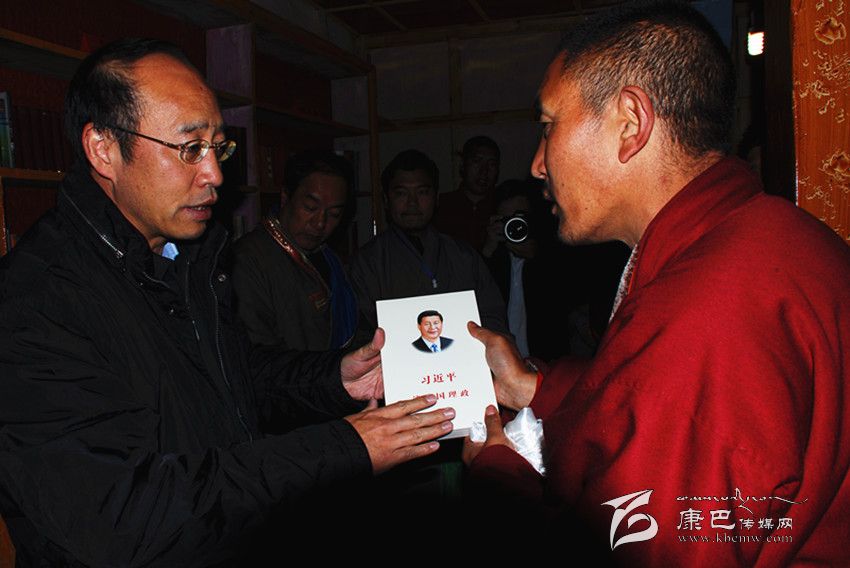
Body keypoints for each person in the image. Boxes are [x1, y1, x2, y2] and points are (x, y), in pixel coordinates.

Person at [0, 38, 454, 567]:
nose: (214, 174)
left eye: (219, 148)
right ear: (103, 149)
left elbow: (231, 379)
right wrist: (342, 447)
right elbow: (124, 517)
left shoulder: (183, 256)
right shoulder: (35, 301)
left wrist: (334, 379)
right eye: (189, 148)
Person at [463, 2, 850, 566]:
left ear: (630, 122)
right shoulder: (766, 234)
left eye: (548, 127)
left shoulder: (705, 310)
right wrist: (532, 388)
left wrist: (499, 478)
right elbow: (645, 404)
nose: (538, 164)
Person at [349, 148, 507, 340]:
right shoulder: (367, 262)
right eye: (401, 194)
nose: (412, 203)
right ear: (386, 200)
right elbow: (359, 332)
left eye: (422, 192)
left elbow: (493, 317)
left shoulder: (464, 255)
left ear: (436, 197)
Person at [231, 149, 357, 351]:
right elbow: (258, 352)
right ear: (285, 197)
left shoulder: (328, 257)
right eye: (310, 207)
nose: (320, 223)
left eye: (334, 214)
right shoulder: (247, 259)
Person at [433, 136, 500, 252]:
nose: (484, 171)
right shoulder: (440, 206)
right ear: (463, 165)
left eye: (491, 164)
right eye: (477, 162)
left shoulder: (503, 206)